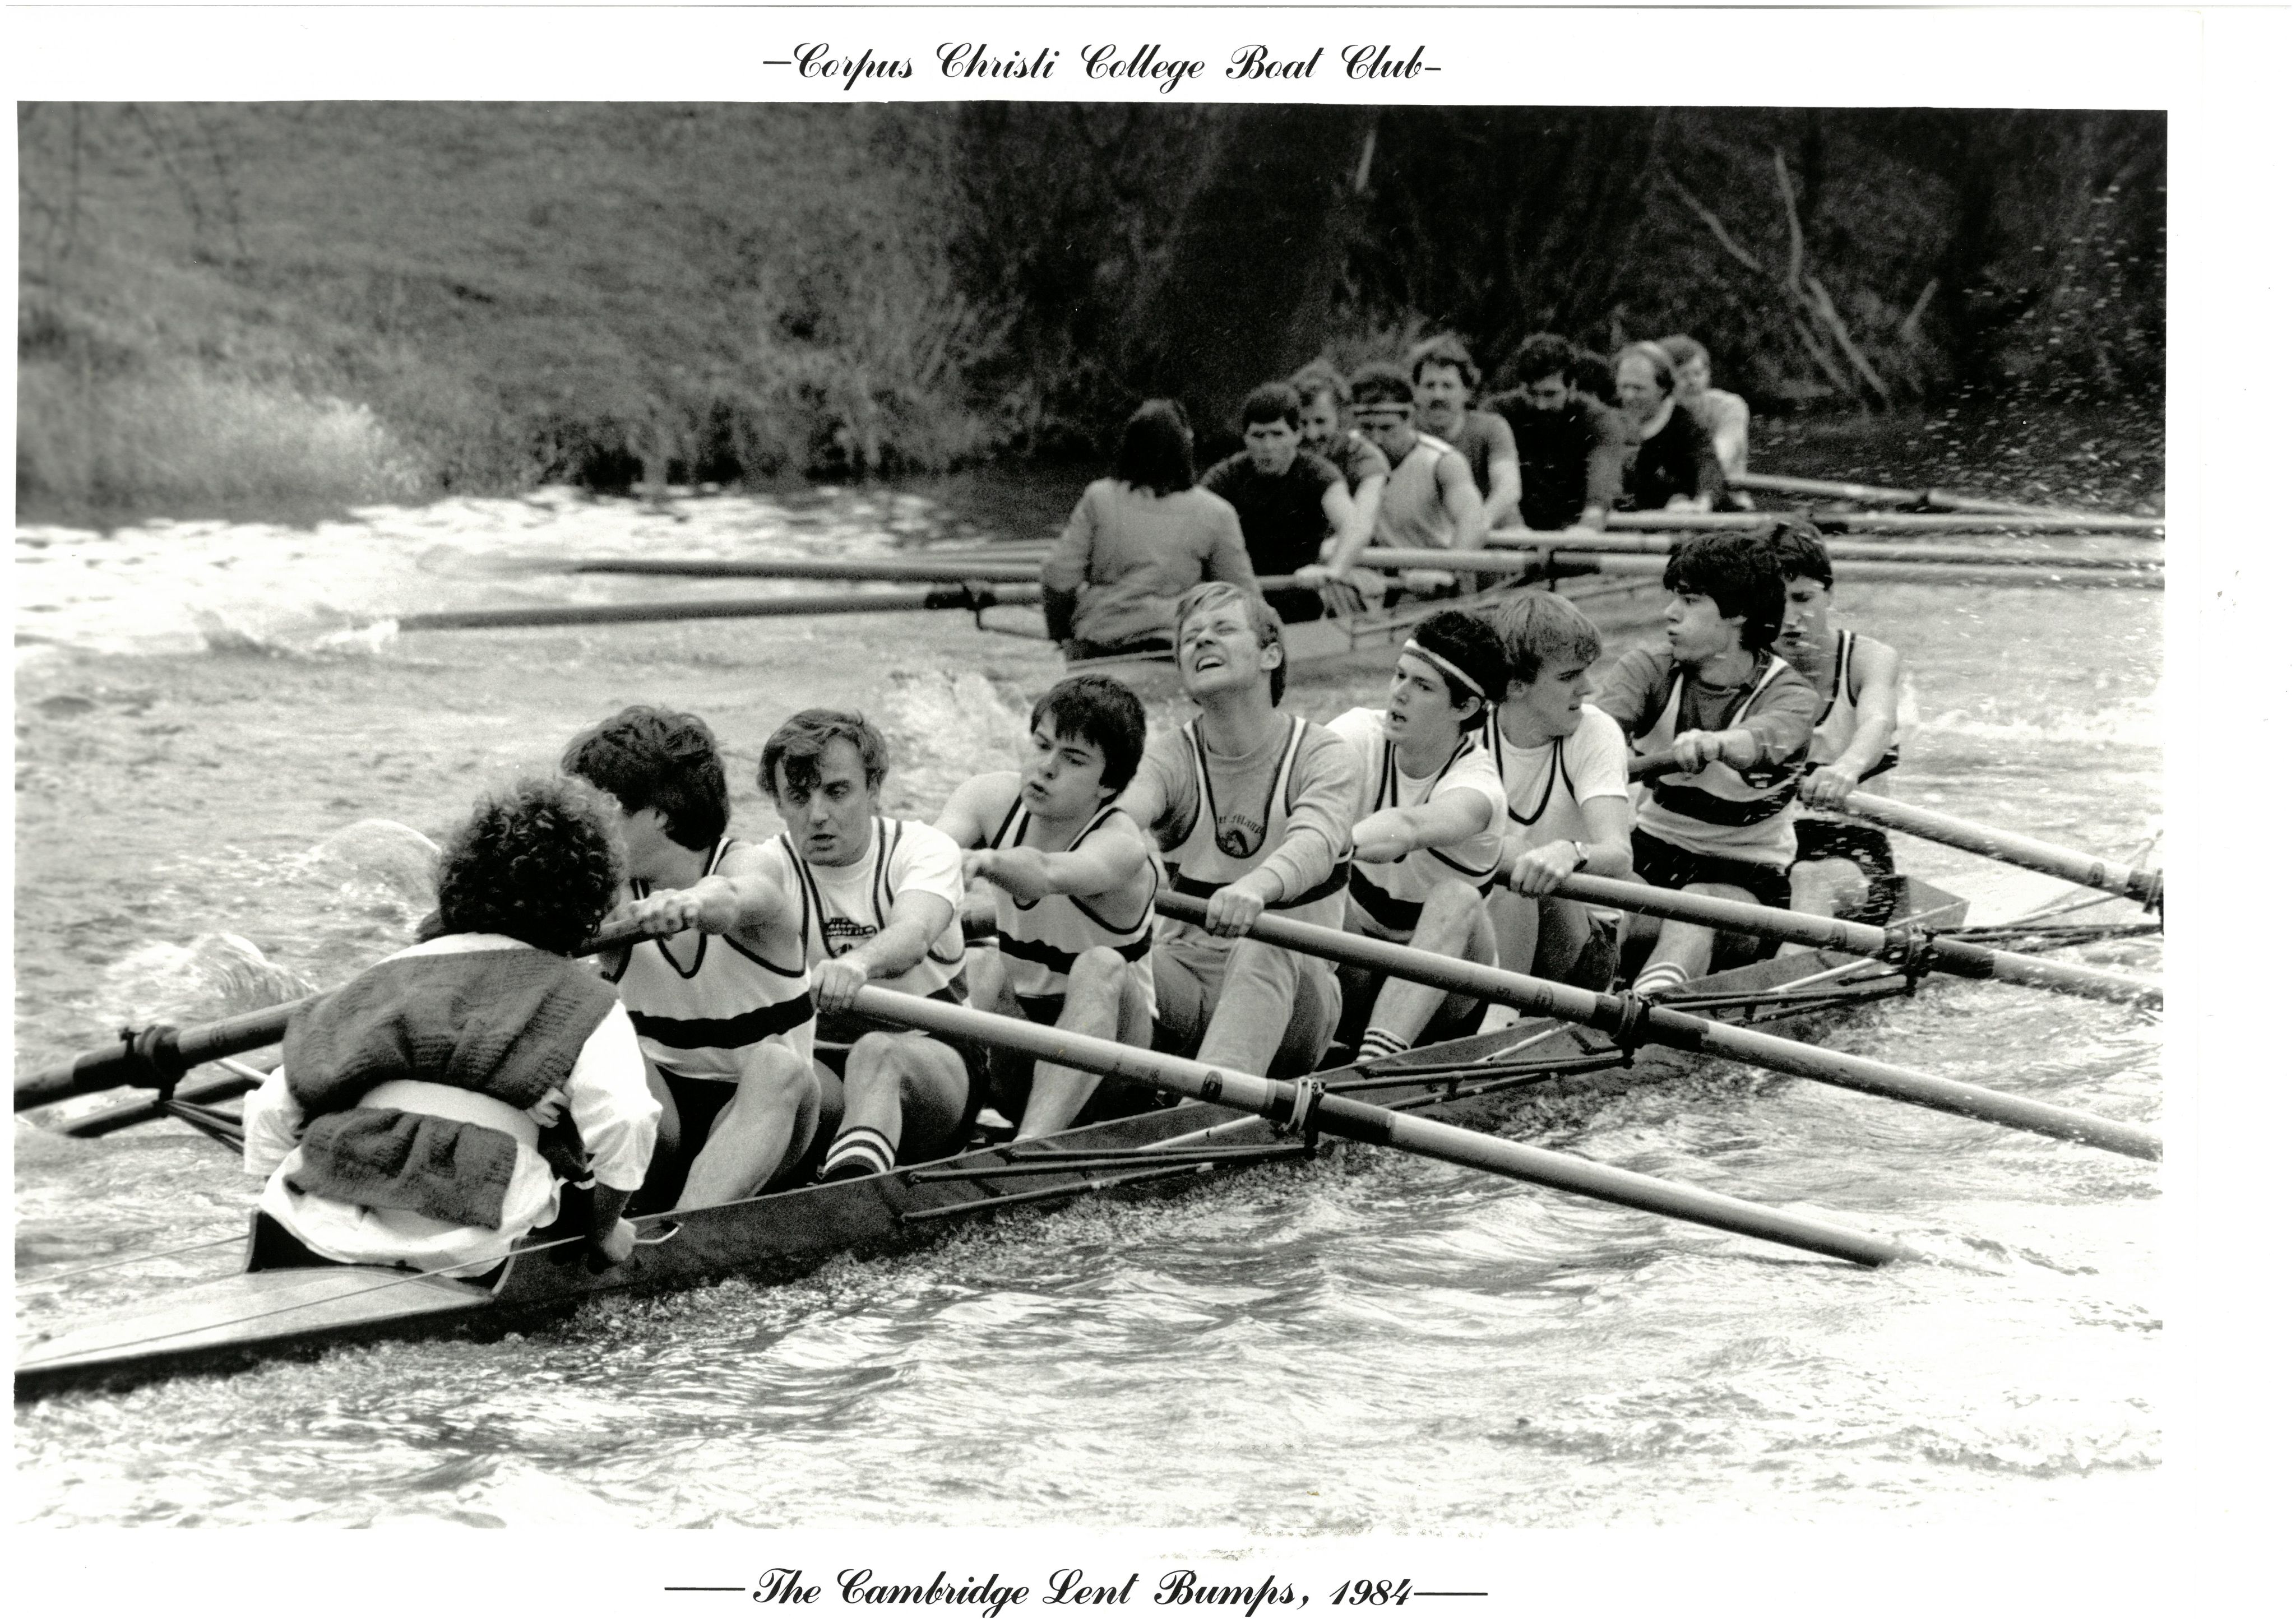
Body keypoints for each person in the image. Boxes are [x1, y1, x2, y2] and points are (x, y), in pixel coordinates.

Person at [243, 777, 659, 1276]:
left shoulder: (381, 977)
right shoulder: (586, 1000)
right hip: (470, 1247)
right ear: (591, 900)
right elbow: (629, 1120)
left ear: (460, 879)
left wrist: (276, 1197)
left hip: (319, 1229)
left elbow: (269, 1110)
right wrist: (602, 1230)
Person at [566, 706, 823, 1212]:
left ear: (659, 813)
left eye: (600, 810)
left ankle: (683, 1233)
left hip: (770, 1125)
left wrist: (691, 904)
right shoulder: (612, 891)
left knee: (778, 1066)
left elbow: (738, 895)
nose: (587, 827)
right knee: (579, 1034)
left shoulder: (749, 864)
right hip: (663, 1128)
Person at [1113, 581, 1359, 1081]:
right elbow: (1120, 814)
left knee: (1263, 945)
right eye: (1190, 638)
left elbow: (1314, 844)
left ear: (1271, 655)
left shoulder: (1323, 754)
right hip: (1185, 979)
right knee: (1102, 961)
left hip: (1294, 994)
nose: (1202, 641)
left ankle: (1206, 1113)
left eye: (1223, 629)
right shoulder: (1169, 757)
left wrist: (1256, 888)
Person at [757, 709, 987, 1180]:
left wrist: (857, 964)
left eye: (837, 792)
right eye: (798, 797)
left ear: (874, 789)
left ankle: (851, 1193)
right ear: (778, 804)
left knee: (877, 1052)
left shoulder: (925, 849)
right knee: (768, 1071)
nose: (818, 815)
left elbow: (914, 935)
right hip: (825, 1066)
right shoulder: (766, 866)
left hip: (932, 1062)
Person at [935, 675, 1160, 1138]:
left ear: (1108, 784)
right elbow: (923, 853)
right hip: (1024, 1041)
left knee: (1101, 965)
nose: (1046, 767)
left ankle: (1031, 1147)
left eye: (1073, 759)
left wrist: (985, 861)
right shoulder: (988, 798)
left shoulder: (1121, 845)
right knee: (980, 964)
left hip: (1117, 1067)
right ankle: (946, 1117)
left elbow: (1047, 873)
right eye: (1042, 745)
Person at [1595, 532, 1819, 997]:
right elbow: (1594, 738)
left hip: (1747, 878)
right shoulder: (1648, 670)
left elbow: (1758, 740)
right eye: (1674, 598)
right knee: (1592, 901)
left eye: (1690, 600)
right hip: (1651, 855)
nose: (1670, 613)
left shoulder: (1792, 696)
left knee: (1695, 906)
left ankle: (1649, 1009)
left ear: (1737, 613)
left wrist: (1716, 743)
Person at [1324, 611, 1512, 1065]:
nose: (1399, 693)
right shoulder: (1357, 733)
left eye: (1423, 686)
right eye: (1399, 675)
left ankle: (1375, 1067)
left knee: (1456, 898)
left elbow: (1407, 828)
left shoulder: (1479, 788)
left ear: (1465, 708)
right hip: (1357, 967)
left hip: (1447, 996)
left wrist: (1324, 846)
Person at [1479, 592, 1636, 1007]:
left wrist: (1571, 852)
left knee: (1515, 865)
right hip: (1489, 914)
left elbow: (1619, 855)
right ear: (1515, 686)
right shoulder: (1470, 728)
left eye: (1586, 672)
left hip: (1583, 941)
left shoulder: (1595, 732)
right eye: (1569, 677)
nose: (1589, 688)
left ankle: (1498, 1021)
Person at [1040, 398, 1260, 660]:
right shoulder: (1216, 511)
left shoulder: (1099, 497)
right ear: (1186, 448)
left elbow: (1057, 576)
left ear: (1128, 446)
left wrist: (1061, 636)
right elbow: (1244, 598)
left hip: (1100, 640)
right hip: (1177, 644)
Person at [1770, 522, 1906, 924]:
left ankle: (1793, 962)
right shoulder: (1745, 664)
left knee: (1807, 877)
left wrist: (1847, 766)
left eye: (1803, 598)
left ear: (1830, 593)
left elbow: (1878, 722)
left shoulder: (1870, 660)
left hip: (1852, 847)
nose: (1790, 618)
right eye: (1776, 601)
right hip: (1763, 843)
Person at [1200, 382, 1354, 624]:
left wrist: (1334, 570)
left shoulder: (1318, 474)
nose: (1268, 446)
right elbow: (1190, 523)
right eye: (1258, 436)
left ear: (1297, 435)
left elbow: (1353, 525)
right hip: (1238, 609)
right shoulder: (1224, 477)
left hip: (1301, 606)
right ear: (1245, 437)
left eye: (1277, 434)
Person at [1350, 361, 1486, 591]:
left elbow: (1473, 521)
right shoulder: (1346, 455)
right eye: (1367, 429)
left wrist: (1444, 571)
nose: (1376, 440)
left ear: (1410, 418)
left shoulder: (1443, 462)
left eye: (1387, 428)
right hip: (1372, 583)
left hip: (1433, 585)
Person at [1484, 332, 1631, 534]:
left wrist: (1588, 525)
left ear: (1572, 387)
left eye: (1550, 394)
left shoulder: (1598, 419)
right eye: (1532, 394)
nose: (1541, 404)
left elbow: (1601, 487)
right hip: (1512, 528)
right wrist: (1514, 528)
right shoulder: (1497, 413)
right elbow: (1494, 483)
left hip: (1576, 529)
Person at [1288, 361, 1389, 606]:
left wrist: (1331, 572)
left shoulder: (1365, 458)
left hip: (1355, 564)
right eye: (1302, 424)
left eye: (1320, 422)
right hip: (1296, 568)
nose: (1311, 434)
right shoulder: (1282, 453)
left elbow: (1361, 524)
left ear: (1342, 417)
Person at [1408, 333, 1522, 535]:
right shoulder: (1406, 433)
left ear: (1467, 392)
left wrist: (1474, 526)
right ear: (1416, 391)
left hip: (1494, 537)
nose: (1438, 396)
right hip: (1431, 540)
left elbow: (1508, 487)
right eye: (1430, 386)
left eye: (1448, 386)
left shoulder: (1491, 428)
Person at [1613, 342, 1726, 514]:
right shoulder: (1607, 418)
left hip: (1682, 517)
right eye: (1624, 387)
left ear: (1663, 389)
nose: (1629, 396)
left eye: (1639, 389)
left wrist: (1704, 502)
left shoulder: (1687, 425)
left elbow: (1708, 467)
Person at [1658, 334, 1752, 497]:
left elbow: (1720, 457)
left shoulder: (1730, 406)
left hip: (1725, 502)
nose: (1693, 382)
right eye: (1683, 375)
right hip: (1667, 503)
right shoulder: (1652, 412)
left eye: (1698, 373)